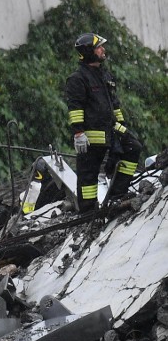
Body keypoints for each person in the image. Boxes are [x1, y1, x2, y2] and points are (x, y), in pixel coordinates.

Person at [65, 32, 142, 213]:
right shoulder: (77, 78)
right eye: (99, 47)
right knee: (88, 175)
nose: (103, 49)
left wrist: (122, 125)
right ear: (89, 51)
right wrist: (78, 133)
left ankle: (116, 196)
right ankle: (88, 212)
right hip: (91, 135)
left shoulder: (105, 75)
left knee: (133, 147)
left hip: (112, 129)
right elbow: (75, 108)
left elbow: (114, 104)